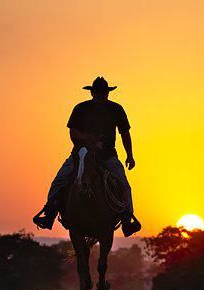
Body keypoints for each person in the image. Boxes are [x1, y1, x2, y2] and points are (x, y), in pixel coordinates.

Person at [33, 77, 141, 236]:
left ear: (107, 93)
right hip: (81, 155)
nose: (101, 95)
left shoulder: (116, 109)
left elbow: (125, 133)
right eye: (98, 92)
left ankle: (126, 220)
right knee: (59, 180)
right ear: (92, 92)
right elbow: (73, 132)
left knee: (124, 184)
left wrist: (130, 156)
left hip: (108, 156)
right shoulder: (80, 108)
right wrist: (90, 140)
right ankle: (49, 214)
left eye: (104, 92)